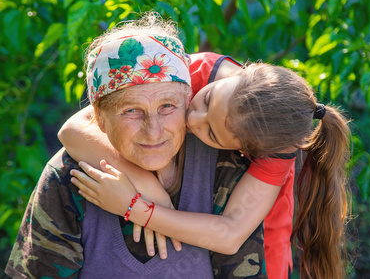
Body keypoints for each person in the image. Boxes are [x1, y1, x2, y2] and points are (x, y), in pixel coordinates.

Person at [6, 13, 271, 278]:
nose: (153, 131)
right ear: (99, 117)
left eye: (167, 106)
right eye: (132, 110)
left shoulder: (222, 170)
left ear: (187, 101)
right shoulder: (71, 177)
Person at [61, 51, 352, 278]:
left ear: (241, 150)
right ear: (245, 71)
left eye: (211, 133)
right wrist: (152, 191)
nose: (192, 119)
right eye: (208, 100)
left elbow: (231, 234)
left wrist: (137, 209)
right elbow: (72, 129)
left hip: (266, 222)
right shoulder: (189, 70)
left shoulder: (275, 149)